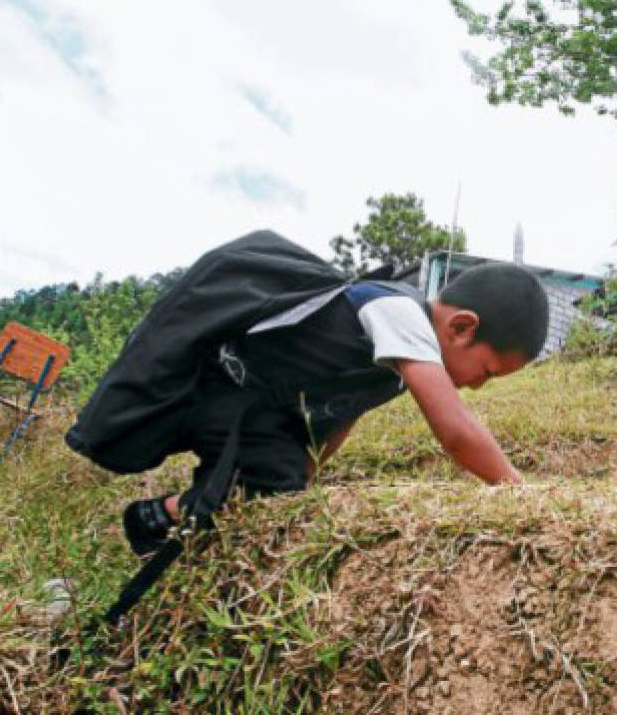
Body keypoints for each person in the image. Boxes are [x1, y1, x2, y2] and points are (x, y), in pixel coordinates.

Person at [64, 231, 548, 622]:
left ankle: (159, 519)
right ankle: (151, 519)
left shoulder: (399, 355)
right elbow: (456, 432)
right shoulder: (399, 311)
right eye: (486, 371)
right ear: (461, 327)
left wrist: (310, 473)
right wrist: (519, 491)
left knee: (278, 486)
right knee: (269, 484)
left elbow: (346, 413)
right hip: (227, 394)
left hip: (264, 416)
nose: (478, 387)